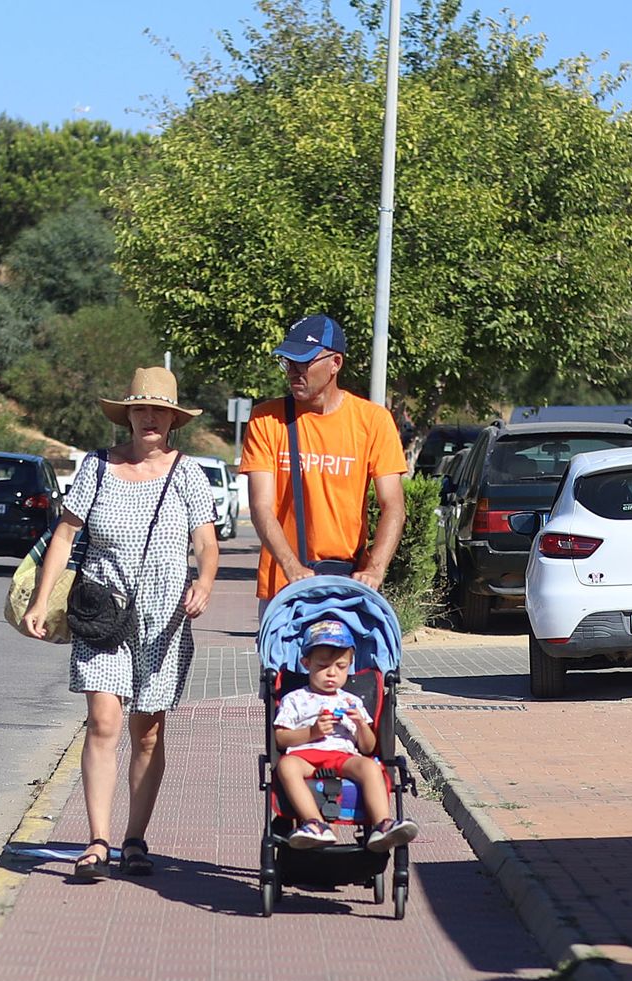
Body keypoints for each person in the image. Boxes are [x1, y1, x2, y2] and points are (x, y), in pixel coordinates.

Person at [23, 366, 220, 878]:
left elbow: (206, 543)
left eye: (158, 410)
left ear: (172, 420)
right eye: (140, 409)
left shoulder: (188, 474)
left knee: (148, 729)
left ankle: (135, 838)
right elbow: (65, 536)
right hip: (102, 609)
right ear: (127, 415)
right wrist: (41, 600)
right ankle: (97, 841)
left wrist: (205, 582)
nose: (148, 417)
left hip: (164, 616)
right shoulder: (97, 467)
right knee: (104, 721)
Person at [240, 314, 408, 619]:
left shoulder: (373, 421)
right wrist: (292, 567)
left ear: (335, 363)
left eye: (303, 362)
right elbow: (261, 506)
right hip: (285, 586)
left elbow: (393, 505)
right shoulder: (266, 419)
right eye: (288, 363)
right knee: (281, 668)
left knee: (346, 668)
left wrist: (375, 570)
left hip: (349, 585)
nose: (293, 372)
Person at [273, 619, 418, 851]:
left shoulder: (351, 701)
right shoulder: (295, 698)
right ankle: (316, 824)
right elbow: (281, 738)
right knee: (286, 766)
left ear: (349, 666)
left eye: (340, 667)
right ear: (306, 663)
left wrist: (361, 724)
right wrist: (312, 732)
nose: (332, 673)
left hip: (342, 756)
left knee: (370, 766)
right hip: (306, 758)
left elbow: (369, 747)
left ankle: (383, 823)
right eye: (322, 666)